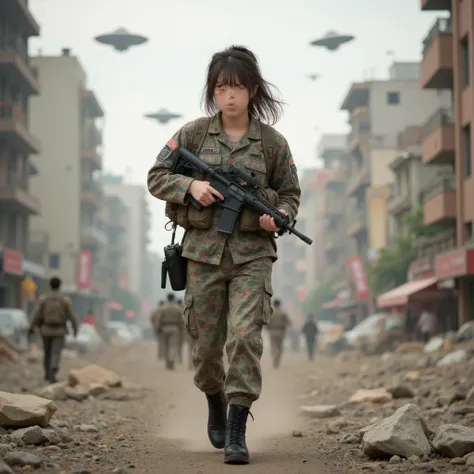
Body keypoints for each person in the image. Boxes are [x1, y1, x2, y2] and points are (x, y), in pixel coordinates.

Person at [147, 45, 301, 464]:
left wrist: (280, 216)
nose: (228, 96)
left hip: (253, 255)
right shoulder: (193, 134)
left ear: (252, 90)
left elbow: (289, 195)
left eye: (236, 87)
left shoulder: (272, 143)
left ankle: (236, 426)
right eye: (220, 88)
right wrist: (190, 187)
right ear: (212, 93)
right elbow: (156, 176)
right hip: (203, 255)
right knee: (205, 348)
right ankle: (214, 399)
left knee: (246, 337)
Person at [28, 276, 78, 383]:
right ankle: (53, 370)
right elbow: (72, 317)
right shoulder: (65, 300)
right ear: (59, 286)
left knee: (47, 352)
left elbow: (36, 315)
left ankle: (47, 373)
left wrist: (31, 327)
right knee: (56, 353)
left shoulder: (44, 299)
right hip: (60, 331)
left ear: (50, 285)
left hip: (45, 330)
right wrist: (75, 330)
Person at [154, 293, 183, 370]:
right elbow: (182, 321)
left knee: (165, 346)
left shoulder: (163, 308)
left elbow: (158, 320)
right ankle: (171, 362)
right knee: (173, 346)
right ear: (173, 298)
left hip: (164, 328)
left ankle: (167, 362)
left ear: (167, 298)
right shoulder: (178, 309)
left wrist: (157, 329)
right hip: (175, 328)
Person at [266, 299, 291, 368]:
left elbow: (266, 323)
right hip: (280, 332)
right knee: (280, 347)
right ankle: (277, 361)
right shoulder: (283, 312)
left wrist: (268, 329)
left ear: (273, 304)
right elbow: (289, 322)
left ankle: (274, 358)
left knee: (273, 346)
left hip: (272, 332)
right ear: (279, 304)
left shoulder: (270, 313)